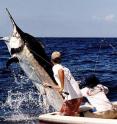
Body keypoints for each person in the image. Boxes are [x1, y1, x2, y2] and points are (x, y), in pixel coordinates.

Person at [44, 51, 82, 116]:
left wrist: (61, 87)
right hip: (79, 97)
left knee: (63, 116)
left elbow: (60, 72)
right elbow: (63, 84)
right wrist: (49, 85)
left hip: (72, 98)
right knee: (67, 115)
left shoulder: (56, 67)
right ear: (60, 59)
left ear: (51, 60)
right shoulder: (66, 69)